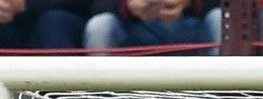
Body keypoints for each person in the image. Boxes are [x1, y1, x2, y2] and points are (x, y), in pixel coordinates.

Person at [85, 0, 221, 51]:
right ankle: (103, 98)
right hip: (134, 30)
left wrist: (189, 3)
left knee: (220, 18)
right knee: (100, 24)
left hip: (194, 29)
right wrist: (128, 7)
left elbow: (233, 6)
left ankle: (223, 97)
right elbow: (94, 7)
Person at [0, 0, 85, 50]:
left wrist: (26, 4)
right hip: (0, 21)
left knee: (55, 22)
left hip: (58, 19)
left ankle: (54, 97)